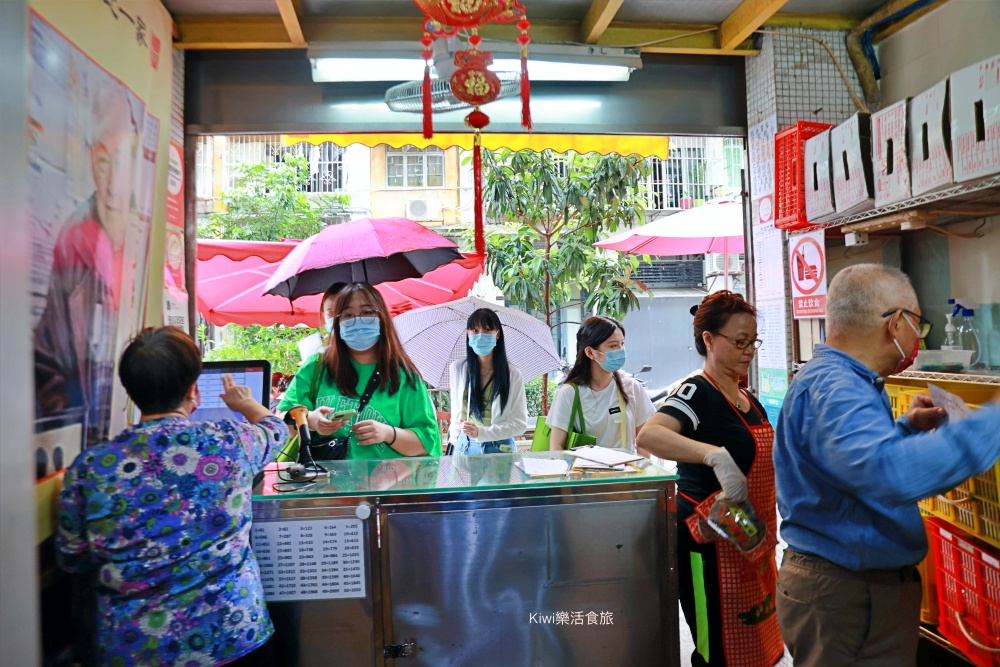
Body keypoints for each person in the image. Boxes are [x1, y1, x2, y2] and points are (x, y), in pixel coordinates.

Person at [773, 263, 1000, 667]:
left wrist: (905, 429)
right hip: (848, 596)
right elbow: (888, 473)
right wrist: (992, 422)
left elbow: (847, 468)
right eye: (918, 325)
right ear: (896, 323)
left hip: (844, 591)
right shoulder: (838, 388)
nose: (917, 338)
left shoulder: (836, 380)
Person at [55, 326, 288, 666]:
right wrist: (247, 403)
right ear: (194, 390)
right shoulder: (231, 442)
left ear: (130, 391)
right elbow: (276, 430)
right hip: (231, 634)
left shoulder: (91, 467)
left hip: (136, 648)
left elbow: (73, 557)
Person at [637, 290, 781, 667]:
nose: (748, 351)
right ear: (709, 339)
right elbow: (649, 435)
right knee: (716, 646)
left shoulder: (749, 399)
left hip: (749, 540)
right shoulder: (697, 391)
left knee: (757, 643)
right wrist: (712, 455)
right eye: (739, 341)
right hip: (709, 546)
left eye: (753, 342)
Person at [34, 85, 139, 447]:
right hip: (89, 435)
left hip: (129, 429)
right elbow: (46, 356)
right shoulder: (74, 239)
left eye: (121, 160)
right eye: (103, 162)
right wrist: (69, 424)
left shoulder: (145, 233)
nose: (112, 179)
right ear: (92, 160)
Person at [278, 282, 440, 459]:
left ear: (382, 317)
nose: (357, 320)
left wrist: (389, 433)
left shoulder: (403, 375)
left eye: (368, 312)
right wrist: (309, 420)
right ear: (336, 322)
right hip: (324, 476)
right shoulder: (315, 368)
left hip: (388, 477)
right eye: (347, 314)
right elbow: (278, 425)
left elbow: (427, 442)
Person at [547, 316, 655, 452]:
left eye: (622, 344)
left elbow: (643, 440)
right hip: (585, 466)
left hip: (628, 466)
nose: (620, 350)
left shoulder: (631, 387)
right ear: (590, 352)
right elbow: (556, 446)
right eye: (613, 346)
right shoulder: (570, 392)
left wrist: (643, 465)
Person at [447, 308, 528, 455]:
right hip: (465, 446)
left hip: (500, 447)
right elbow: (456, 412)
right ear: (468, 334)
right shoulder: (458, 369)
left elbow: (520, 424)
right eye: (475, 330)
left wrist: (482, 433)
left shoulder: (512, 374)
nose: (480, 335)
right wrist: (453, 441)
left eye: (487, 329)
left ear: (497, 334)